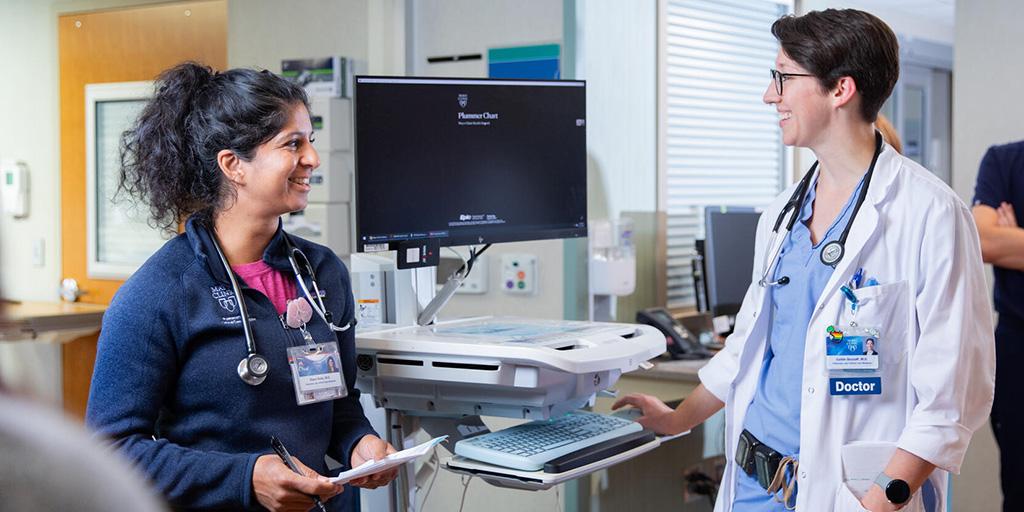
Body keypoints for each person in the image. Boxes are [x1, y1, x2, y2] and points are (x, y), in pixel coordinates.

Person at [614, 9, 994, 512]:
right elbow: (747, 348)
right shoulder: (781, 214)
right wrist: (677, 419)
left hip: (854, 498)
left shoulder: (931, 214)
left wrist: (880, 501)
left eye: (784, 78)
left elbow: (952, 398)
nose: (770, 95)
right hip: (753, 487)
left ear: (841, 90)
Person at [85, 62, 398, 512]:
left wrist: (359, 443)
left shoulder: (323, 272)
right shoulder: (159, 295)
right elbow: (111, 450)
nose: (312, 158)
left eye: (311, 141)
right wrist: (245, 477)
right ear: (233, 165)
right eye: (293, 143)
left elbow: (339, 403)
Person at [972, 139, 1024, 512]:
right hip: (1017, 349)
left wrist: (1015, 240)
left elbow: (1000, 242)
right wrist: (999, 237)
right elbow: (983, 240)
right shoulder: (1004, 161)